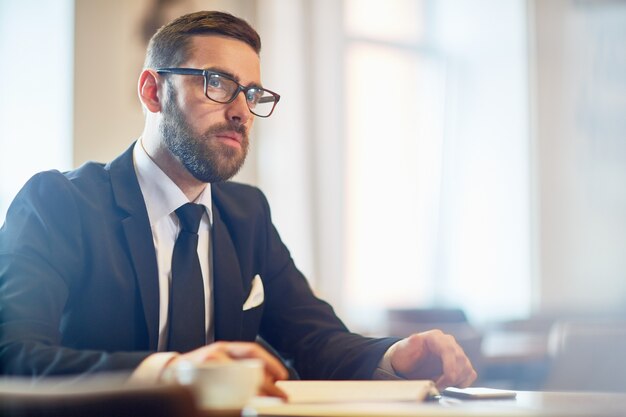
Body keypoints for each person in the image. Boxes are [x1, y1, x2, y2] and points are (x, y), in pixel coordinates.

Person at [0, 11, 476, 395]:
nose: (241, 112)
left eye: (251, 94)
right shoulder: (57, 204)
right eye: (217, 83)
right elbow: (15, 354)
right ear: (152, 91)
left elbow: (314, 339)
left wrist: (396, 355)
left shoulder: (248, 214)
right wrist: (175, 373)